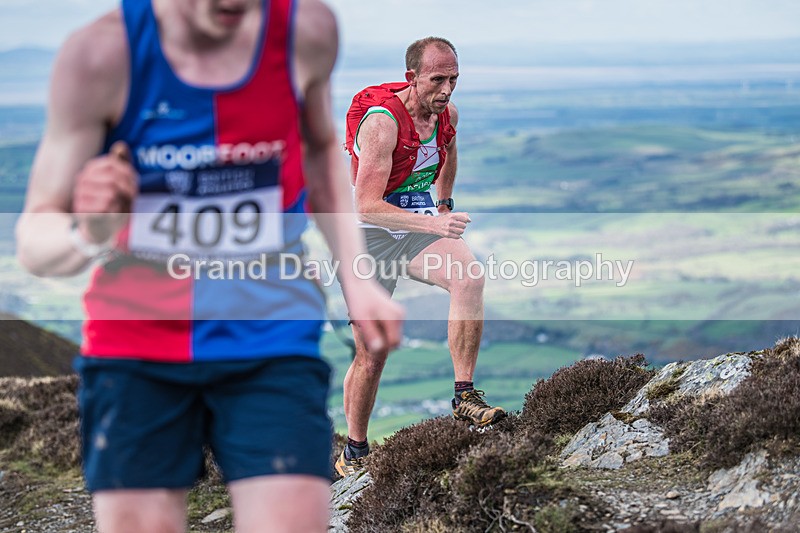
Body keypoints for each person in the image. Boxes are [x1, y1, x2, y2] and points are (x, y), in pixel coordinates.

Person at [15, 0, 403, 531]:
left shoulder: (306, 30)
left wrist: (358, 277)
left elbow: (319, 149)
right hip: (136, 340)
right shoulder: (101, 55)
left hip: (270, 331)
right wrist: (89, 232)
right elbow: (35, 241)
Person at [335, 37, 505, 477]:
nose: (446, 89)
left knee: (469, 277)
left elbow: (448, 154)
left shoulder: (447, 115)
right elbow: (365, 204)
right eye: (437, 79)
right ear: (412, 77)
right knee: (372, 351)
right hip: (365, 236)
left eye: (453, 79)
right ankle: (354, 450)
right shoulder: (382, 123)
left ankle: (464, 397)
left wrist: (443, 204)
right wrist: (434, 223)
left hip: (413, 224)